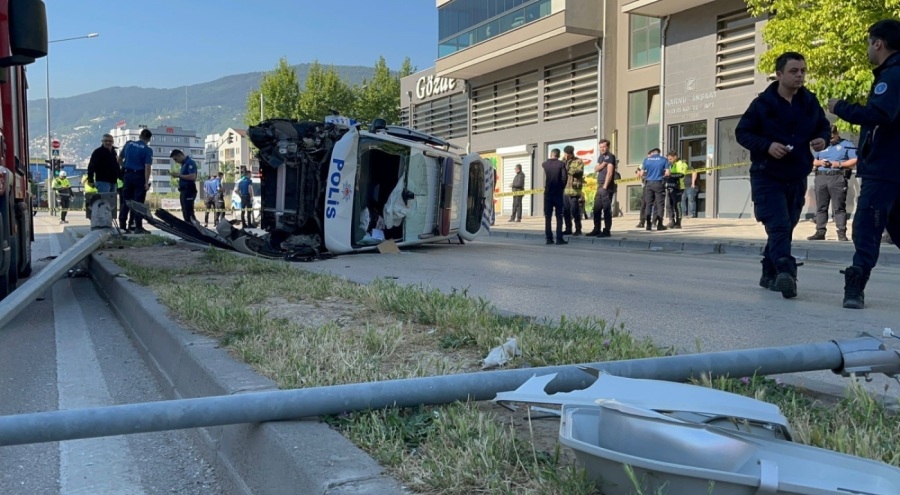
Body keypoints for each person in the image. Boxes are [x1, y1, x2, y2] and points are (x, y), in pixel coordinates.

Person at [736, 51, 830, 299]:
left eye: (802, 71)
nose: (799, 75)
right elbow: (742, 133)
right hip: (767, 175)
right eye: (793, 71)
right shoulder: (762, 104)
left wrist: (822, 139)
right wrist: (767, 145)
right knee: (777, 225)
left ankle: (769, 272)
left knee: (786, 226)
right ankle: (786, 273)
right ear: (779, 75)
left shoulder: (810, 101)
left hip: (797, 174)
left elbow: (823, 126)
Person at [828, 19, 900, 309]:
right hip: (892, 168)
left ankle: (855, 287)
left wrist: (839, 107)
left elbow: (879, 114)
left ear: (878, 43)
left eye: (869, 43)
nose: (868, 49)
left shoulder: (892, 76)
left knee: (867, 228)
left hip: (885, 169)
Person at [807, 125, 857, 242]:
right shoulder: (822, 144)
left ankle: (841, 232)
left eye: (832, 137)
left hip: (837, 176)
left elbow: (854, 160)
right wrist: (820, 162)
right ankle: (820, 231)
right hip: (821, 177)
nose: (830, 140)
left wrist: (838, 164)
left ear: (837, 133)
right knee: (821, 207)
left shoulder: (846, 145)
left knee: (839, 207)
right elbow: (812, 160)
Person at [118, 128, 153, 234]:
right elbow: (147, 167)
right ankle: (137, 226)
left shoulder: (129, 144)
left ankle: (122, 226)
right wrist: (146, 182)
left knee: (125, 201)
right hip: (139, 176)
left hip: (127, 175)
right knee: (138, 203)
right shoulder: (147, 149)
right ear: (148, 139)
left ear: (140, 135)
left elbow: (119, 159)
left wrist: (125, 168)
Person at [586, 138, 616, 237]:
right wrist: (603, 164)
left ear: (608, 147)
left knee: (606, 210)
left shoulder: (610, 157)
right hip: (599, 187)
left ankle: (607, 230)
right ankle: (596, 229)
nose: (602, 149)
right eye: (600, 147)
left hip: (606, 187)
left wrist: (605, 186)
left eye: (604, 147)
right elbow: (596, 169)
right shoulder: (601, 158)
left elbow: (610, 172)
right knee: (596, 209)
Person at [639, 148, 670, 231]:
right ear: (659, 153)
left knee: (648, 204)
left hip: (648, 183)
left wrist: (648, 175)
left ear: (652, 153)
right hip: (659, 183)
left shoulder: (646, 160)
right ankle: (659, 225)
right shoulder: (664, 160)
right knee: (660, 204)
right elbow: (667, 173)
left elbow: (641, 174)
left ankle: (648, 225)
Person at [542, 148, 567, 245]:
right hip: (558, 193)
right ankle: (559, 238)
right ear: (558, 155)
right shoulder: (561, 164)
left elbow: (545, 163)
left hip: (548, 193)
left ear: (551, 154)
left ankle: (549, 238)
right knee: (559, 216)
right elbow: (564, 178)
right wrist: (561, 188)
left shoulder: (545, 164)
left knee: (548, 217)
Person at [170, 149, 198, 224]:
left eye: (176, 159)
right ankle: (188, 226)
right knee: (185, 210)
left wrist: (179, 175)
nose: (176, 161)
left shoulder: (190, 162)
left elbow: (193, 176)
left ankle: (194, 228)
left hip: (189, 189)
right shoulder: (184, 164)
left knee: (189, 211)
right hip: (183, 190)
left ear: (179, 155)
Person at [562, 145, 585, 236]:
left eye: (568, 154)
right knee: (565, 211)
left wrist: (568, 168)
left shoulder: (578, 161)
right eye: (565, 154)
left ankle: (578, 229)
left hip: (573, 190)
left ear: (572, 153)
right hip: (564, 190)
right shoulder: (562, 161)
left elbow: (579, 172)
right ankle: (568, 229)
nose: (567, 156)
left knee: (575, 211)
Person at [665, 151, 689, 229]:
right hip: (669, 187)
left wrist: (670, 175)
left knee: (677, 205)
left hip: (678, 187)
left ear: (675, 156)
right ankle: (671, 221)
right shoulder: (670, 165)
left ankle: (678, 223)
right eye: (668, 159)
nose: (669, 161)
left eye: (671, 159)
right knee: (669, 205)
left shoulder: (682, 163)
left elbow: (681, 174)